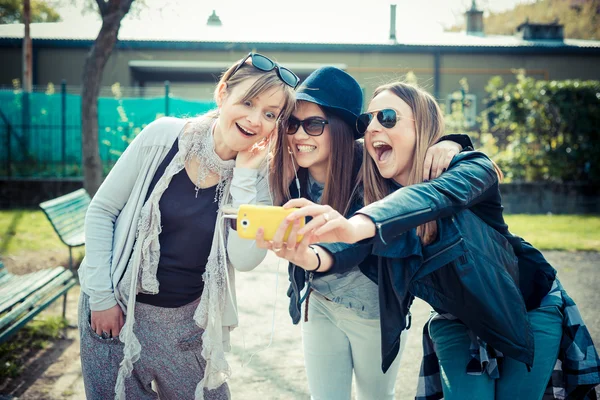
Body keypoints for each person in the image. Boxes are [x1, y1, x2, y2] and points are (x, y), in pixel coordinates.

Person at [278, 81, 600, 400]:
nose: (373, 128)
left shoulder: (470, 167)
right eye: (368, 120)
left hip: (524, 310)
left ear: (423, 127)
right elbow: (354, 250)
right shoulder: (382, 199)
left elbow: (432, 196)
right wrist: (311, 258)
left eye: (387, 117)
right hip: (455, 321)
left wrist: (360, 224)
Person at [78, 52, 298, 399]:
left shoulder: (260, 179)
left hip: (185, 328)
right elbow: (102, 211)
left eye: (270, 114)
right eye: (249, 102)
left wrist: (243, 175)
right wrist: (102, 298)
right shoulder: (162, 137)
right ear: (223, 93)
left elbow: (245, 258)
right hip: (116, 311)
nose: (256, 119)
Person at [257, 67, 470, 400]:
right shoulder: (288, 172)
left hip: (373, 314)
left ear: (341, 128)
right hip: (321, 303)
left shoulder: (371, 170)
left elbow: (355, 243)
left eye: (313, 124)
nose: (299, 135)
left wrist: (453, 143)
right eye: (292, 124)